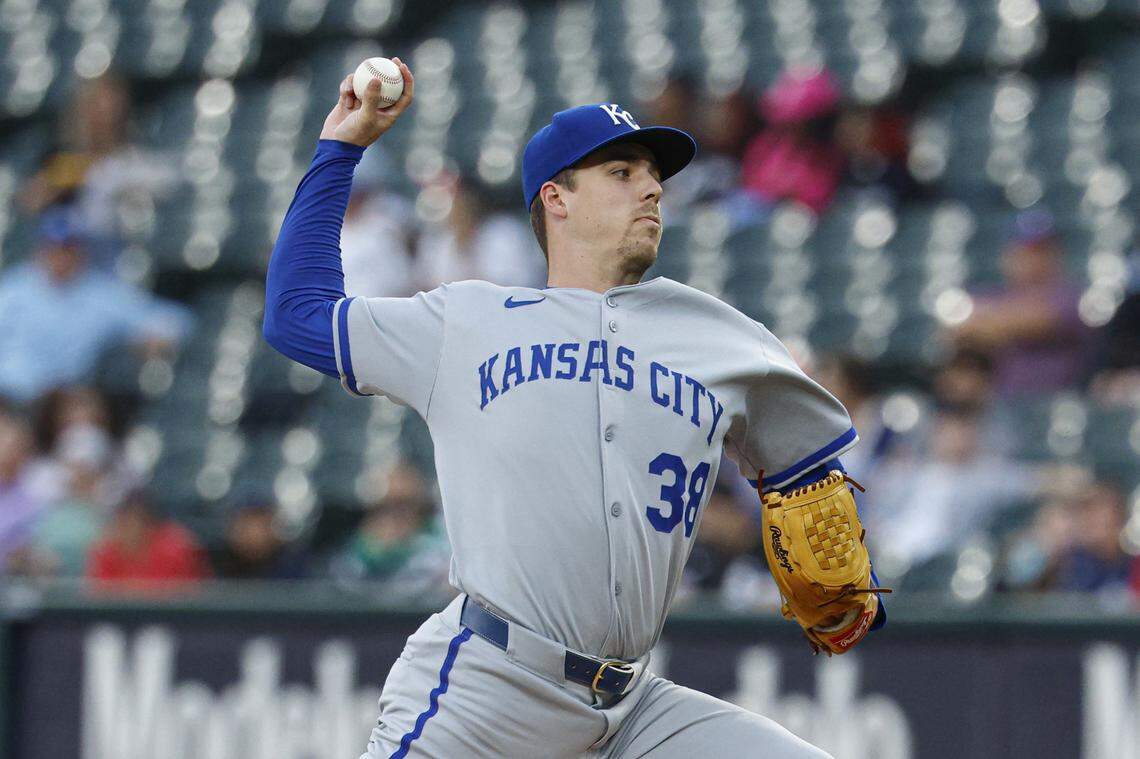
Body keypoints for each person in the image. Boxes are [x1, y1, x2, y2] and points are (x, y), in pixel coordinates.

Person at [263, 60, 884, 758]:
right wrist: (339, 150)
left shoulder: (722, 337)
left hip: (633, 708)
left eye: (653, 174)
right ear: (556, 199)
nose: (652, 186)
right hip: (487, 691)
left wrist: (807, 492)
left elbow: (804, 456)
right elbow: (296, 316)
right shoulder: (464, 321)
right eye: (622, 172)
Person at [0, 207, 191, 403]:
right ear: (40, 248)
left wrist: (155, 337)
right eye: (53, 246)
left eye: (68, 246)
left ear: (82, 250)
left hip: (67, 405)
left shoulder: (102, 294)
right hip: (10, 399)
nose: (60, 255)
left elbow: (176, 321)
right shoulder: (13, 289)